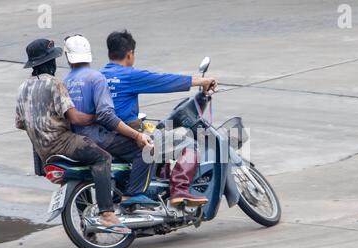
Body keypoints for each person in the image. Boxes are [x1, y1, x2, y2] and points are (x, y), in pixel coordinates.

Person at [15, 38, 129, 234]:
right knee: (102, 158)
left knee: (80, 175)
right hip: (63, 143)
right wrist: (98, 117)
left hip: (42, 151)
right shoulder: (54, 84)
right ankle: (107, 213)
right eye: (53, 59)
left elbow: (20, 123)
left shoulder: (23, 87)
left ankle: (87, 227)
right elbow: (76, 118)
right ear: (48, 62)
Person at [101, 30, 218, 206]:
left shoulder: (98, 76)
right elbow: (165, 81)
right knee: (188, 145)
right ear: (129, 54)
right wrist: (203, 82)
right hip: (125, 136)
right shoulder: (129, 75)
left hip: (101, 136)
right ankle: (179, 191)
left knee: (158, 139)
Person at [62, 34, 157, 206]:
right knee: (146, 149)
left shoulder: (65, 81)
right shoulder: (96, 77)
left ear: (68, 57)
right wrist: (137, 136)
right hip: (98, 139)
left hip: (75, 141)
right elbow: (106, 115)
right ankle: (133, 195)